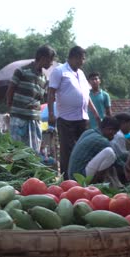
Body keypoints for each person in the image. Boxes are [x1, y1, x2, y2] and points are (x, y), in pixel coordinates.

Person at [47, 46, 101, 179]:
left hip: (82, 118)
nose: (82, 62)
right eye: (81, 59)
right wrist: (51, 114)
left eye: (84, 59)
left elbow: (86, 96)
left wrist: (95, 114)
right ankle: (67, 180)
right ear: (73, 57)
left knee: (82, 150)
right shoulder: (59, 71)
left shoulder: (81, 74)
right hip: (66, 119)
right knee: (67, 151)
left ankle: (80, 179)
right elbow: (51, 93)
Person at [6, 45, 56, 153]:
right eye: (50, 60)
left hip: (34, 121)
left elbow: (42, 99)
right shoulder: (21, 71)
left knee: (33, 154)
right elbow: (10, 92)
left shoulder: (44, 78)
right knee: (17, 153)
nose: (52, 63)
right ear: (43, 58)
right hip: (19, 120)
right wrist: (12, 111)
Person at [68, 116, 120, 183]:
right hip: (80, 177)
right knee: (110, 153)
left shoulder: (89, 132)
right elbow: (117, 161)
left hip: (73, 175)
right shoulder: (101, 140)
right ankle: (94, 183)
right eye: (114, 133)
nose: (113, 136)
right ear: (109, 129)